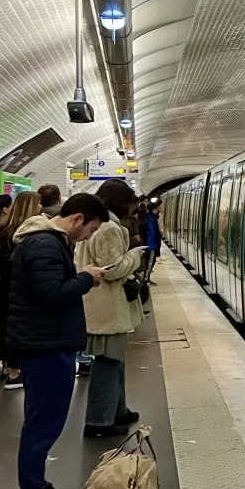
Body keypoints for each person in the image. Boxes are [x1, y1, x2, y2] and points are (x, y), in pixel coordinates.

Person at [6, 193, 107, 489]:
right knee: (41, 428)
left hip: (47, 343)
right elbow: (53, 293)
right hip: (45, 347)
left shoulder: (47, 242)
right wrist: (87, 278)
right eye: (90, 229)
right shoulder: (46, 245)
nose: (88, 236)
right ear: (78, 219)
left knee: (44, 425)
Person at [76, 179, 145, 438]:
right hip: (106, 305)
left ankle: (118, 410)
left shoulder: (98, 225)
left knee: (115, 360)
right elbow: (112, 269)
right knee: (108, 362)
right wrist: (135, 255)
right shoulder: (109, 228)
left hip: (97, 303)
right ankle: (98, 421)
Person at [0, 191, 42, 387]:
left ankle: (3, 365)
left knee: (2, 326)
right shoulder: (23, 234)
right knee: (16, 326)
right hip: (15, 286)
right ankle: (14, 370)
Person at [142, 198, 162, 285]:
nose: (159, 210)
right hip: (151, 245)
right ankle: (146, 280)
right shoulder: (152, 219)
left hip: (150, 244)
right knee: (150, 262)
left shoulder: (150, 217)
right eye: (158, 208)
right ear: (154, 209)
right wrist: (154, 246)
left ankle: (146, 278)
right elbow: (153, 233)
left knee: (150, 262)